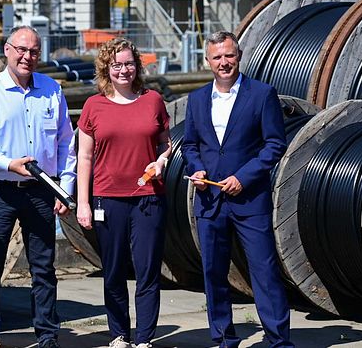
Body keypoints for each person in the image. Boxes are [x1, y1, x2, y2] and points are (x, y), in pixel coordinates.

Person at [0, 26, 75, 348]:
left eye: (34, 51)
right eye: (22, 50)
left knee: (43, 268)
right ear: (7, 50)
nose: (28, 57)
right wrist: (6, 163)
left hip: (41, 191)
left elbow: (66, 142)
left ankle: (48, 337)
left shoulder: (52, 90)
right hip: (0, 189)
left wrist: (63, 189)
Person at [181, 31, 293, 348]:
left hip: (249, 198)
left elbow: (274, 145)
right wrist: (196, 168)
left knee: (264, 271)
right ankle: (223, 338)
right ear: (208, 61)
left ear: (239, 56)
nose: (224, 62)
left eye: (229, 55)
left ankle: (278, 341)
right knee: (214, 273)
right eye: (217, 57)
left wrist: (243, 177)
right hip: (209, 200)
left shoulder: (262, 94)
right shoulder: (197, 98)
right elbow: (190, 146)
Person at [76, 37, 171, 348]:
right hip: (107, 199)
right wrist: (83, 203)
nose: (124, 70)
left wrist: (161, 160)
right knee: (114, 270)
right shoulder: (94, 106)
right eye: (117, 64)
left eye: (129, 63)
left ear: (137, 66)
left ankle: (144, 339)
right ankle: (119, 335)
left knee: (147, 271)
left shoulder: (153, 100)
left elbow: (164, 145)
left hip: (148, 198)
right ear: (107, 68)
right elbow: (85, 157)